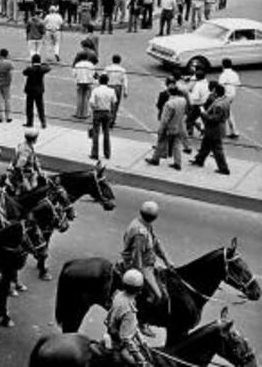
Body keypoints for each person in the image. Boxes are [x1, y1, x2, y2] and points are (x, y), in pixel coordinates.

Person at [119, 201, 172, 336]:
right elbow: (137, 260)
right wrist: (141, 277)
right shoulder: (140, 234)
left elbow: (156, 243)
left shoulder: (144, 224)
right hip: (140, 265)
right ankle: (142, 322)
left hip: (147, 261)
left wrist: (167, 260)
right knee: (157, 295)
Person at [105, 269, 150, 367]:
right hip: (119, 345)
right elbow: (126, 338)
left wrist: (142, 340)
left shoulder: (118, 295)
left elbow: (132, 325)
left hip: (110, 333)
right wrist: (141, 360)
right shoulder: (129, 310)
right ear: (139, 289)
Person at [189, 83, 231, 175]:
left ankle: (223, 168)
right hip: (214, 129)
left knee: (217, 149)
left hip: (214, 130)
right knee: (205, 145)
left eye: (214, 91)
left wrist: (204, 114)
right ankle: (199, 160)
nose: (212, 92)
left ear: (216, 93)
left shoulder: (219, 105)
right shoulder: (226, 100)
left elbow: (215, 118)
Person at [145, 84, 187, 170]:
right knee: (176, 144)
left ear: (169, 93)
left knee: (161, 142)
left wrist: (161, 129)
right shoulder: (183, 100)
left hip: (169, 127)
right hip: (179, 125)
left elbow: (164, 120)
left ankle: (155, 159)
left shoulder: (169, 104)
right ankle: (177, 163)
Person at [89, 74, 116, 161]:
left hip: (98, 111)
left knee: (96, 133)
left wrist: (94, 108)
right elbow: (114, 102)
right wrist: (112, 113)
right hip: (107, 112)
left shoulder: (96, 90)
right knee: (106, 133)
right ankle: (107, 153)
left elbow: (91, 102)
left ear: (99, 81)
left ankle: (95, 153)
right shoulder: (111, 91)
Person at [8, 128, 44, 195]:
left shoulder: (27, 145)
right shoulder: (25, 151)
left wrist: (40, 171)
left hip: (30, 174)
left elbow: (35, 159)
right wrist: (23, 182)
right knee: (30, 193)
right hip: (23, 176)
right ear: (34, 138)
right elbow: (19, 166)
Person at [23, 54, 50, 128]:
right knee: (40, 107)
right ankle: (43, 122)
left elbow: (24, 72)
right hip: (39, 90)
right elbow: (48, 67)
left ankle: (30, 122)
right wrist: (42, 64)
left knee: (29, 107)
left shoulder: (30, 69)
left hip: (30, 90)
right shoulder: (42, 69)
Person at [104, 55, 128, 128]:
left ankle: (107, 119)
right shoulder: (122, 70)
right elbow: (125, 80)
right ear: (119, 61)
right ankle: (112, 119)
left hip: (109, 85)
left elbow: (103, 77)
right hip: (117, 87)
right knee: (115, 104)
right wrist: (125, 90)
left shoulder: (108, 68)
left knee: (107, 103)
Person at [218, 58, 240, 139]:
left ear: (223, 65)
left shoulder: (223, 75)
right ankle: (233, 131)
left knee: (225, 113)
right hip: (232, 95)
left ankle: (232, 131)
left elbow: (220, 87)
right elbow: (238, 85)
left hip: (225, 96)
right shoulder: (235, 74)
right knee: (228, 112)